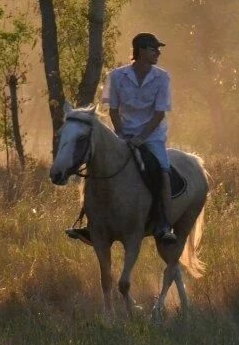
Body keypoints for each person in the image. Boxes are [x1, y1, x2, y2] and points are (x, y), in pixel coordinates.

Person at [66, 32, 177, 244]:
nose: (158, 53)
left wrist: (142, 138)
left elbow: (159, 113)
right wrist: (122, 134)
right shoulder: (117, 76)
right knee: (97, 167)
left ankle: (164, 223)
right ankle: (88, 222)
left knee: (162, 170)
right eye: (154, 49)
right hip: (123, 132)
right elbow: (114, 110)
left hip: (152, 136)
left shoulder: (162, 77)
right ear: (141, 50)